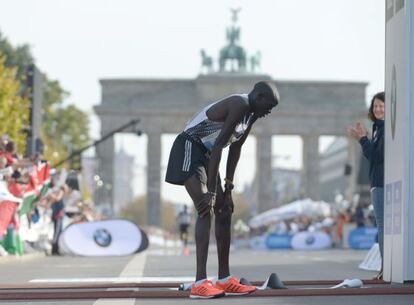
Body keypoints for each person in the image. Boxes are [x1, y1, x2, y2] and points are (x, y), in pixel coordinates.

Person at [165, 81, 280, 298]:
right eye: (269, 106)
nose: (270, 111)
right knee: (204, 207)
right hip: (189, 147)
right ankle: (200, 283)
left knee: (225, 209)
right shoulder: (240, 104)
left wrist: (228, 187)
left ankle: (225, 279)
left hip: (208, 156)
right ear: (259, 96)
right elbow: (219, 145)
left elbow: (235, 148)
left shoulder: (252, 114)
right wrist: (211, 191)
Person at [347, 91, 384, 279]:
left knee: (383, 226)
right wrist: (364, 139)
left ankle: (385, 268)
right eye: (375, 106)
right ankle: (385, 267)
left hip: (381, 182)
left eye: (382, 106)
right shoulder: (378, 128)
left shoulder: (384, 129)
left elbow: (377, 156)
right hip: (377, 181)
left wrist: (362, 140)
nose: (378, 109)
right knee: (382, 226)